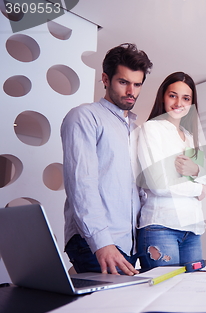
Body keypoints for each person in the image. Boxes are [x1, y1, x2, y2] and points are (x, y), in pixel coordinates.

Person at [61, 43, 153, 275]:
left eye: (137, 84)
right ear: (105, 78)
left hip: (128, 245)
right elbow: (81, 184)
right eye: (123, 82)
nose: (131, 91)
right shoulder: (84, 117)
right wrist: (102, 243)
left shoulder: (134, 129)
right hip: (98, 243)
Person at [136, 72, 206, 268]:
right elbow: (159, 185)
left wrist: (195, 169)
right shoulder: (151, 129)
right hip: (160, 227)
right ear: (163, 96)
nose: (179, 102)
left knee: (193, 295)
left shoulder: (191, 138)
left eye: (186, 98)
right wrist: (198, 188)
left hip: (192, 230)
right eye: (173, 95)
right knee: (165, 296)